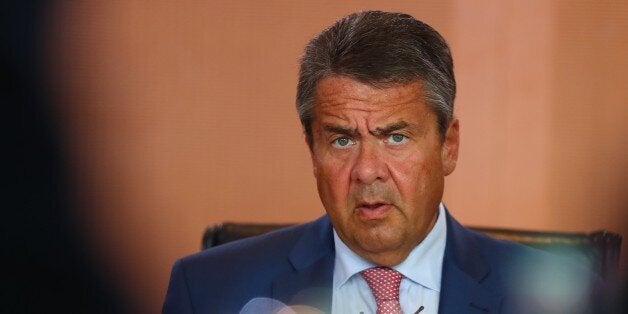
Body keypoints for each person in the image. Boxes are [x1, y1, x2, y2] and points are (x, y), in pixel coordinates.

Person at [163, 11, 600, 314]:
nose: (367, 170)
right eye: (341, 140)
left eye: (395, 137)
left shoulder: (561, 300)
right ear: (311, 149)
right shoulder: (208, 290)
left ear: (448, 146)